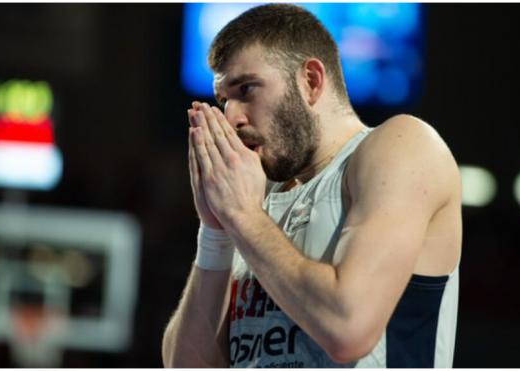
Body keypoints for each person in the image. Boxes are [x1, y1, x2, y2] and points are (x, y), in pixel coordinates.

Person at [162, 3, 462, 368]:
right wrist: (215, 231)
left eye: (247, 89)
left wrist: (242, 217)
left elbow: (348, 329)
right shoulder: (253, 198)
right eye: (223, 99)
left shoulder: (399, 146)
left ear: (311, 81)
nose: (232, 117)